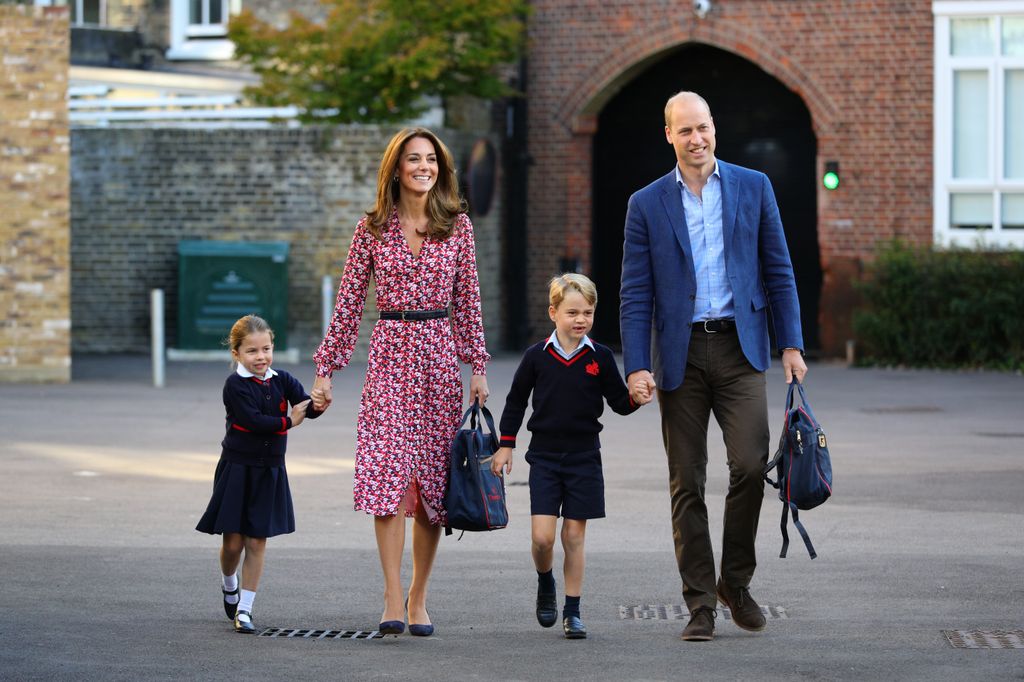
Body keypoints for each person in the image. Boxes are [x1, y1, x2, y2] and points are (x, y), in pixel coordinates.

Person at [619, 91, 808, 642]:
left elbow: (780, 270)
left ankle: (736, 582)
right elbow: (635, 294)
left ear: (714, 129)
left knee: (750, 466)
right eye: (685, 131)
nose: (696, 139)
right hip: (678, 356)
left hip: (740, 349)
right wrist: (635, 367)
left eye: (703, 128)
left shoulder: (754, 186)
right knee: (687, 482)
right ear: (669, 136)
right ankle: (700, 602)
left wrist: (791, 344)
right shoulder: (646, 203)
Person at [310, 127, 490, 637]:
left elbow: (469, 301)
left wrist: (476, 365)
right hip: (389, 355)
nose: (423, 167)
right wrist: (326, 369)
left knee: (434, 485)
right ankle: (391, 594)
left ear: (441, 167)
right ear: (396, 167)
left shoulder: (457, 227)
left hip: (437, 359)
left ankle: (419, 597)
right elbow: (348, 305)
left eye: (430, 159)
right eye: (413, 159)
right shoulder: (370, 229)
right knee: (386, 479)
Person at [491, 273, 645, 640]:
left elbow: (619, 403)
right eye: (572, 312)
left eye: (588, 313)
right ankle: (546, 581)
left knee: (574, 536)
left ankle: (573, 611)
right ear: (553, 312)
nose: (581, 320)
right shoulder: (535, 357)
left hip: (584, 458)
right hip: (543, 457)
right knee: (543, 538)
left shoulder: (601, 357)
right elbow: (515, 401)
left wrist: (636, 398)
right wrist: (506, 444)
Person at [196, 314, 320, 633]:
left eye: (266, 349)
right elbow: (253, 421)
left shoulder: (283, 379)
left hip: (270, 472)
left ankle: (245, 610)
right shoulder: (234, 385)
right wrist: (289, 421)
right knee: (233, 544)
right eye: (252, 351)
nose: (261, 357)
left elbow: (305, 403)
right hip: (237, 469)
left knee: (257, 541)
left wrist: (318, 402)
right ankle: (229, 583)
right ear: (236, 353)